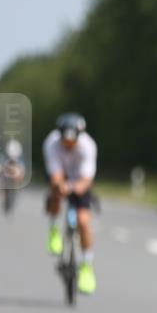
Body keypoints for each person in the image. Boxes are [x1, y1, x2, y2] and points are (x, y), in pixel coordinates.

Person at [43, 113, 98, 294]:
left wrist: (73, 187)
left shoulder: (88, 146)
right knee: (55, 194)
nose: (68, 145)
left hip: (80, 180)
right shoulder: (51, 143)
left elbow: (86, 181)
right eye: (64, 142)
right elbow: (56, 176)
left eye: (71, 143)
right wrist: (60, 187)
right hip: (61, 178)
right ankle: (54, 230)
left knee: (83, 222)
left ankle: (87, 266)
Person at [0, 138, 25, 213]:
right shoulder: (6, 158)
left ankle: (17, 189)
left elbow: (21, 170)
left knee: (19, 175)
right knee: (4, 178)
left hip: (17, 165)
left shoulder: (19, 158)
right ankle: (5, 196)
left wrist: (20, 177)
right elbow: (3, 169)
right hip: (7, 166)